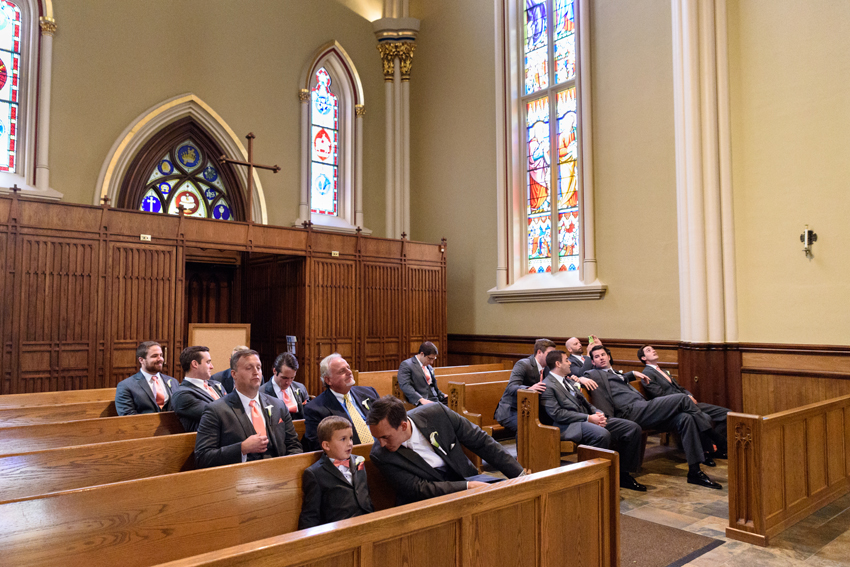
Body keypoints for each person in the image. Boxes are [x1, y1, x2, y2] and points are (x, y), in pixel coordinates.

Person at [582, 345, 721, 489]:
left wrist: (633, 372)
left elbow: (621, 378)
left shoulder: (617, 373)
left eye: (603, 354)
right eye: (596, 357)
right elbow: (573, 375)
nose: (601, 358)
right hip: (629, 412)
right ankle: (713, 437)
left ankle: (695, 471)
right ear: (593, 362)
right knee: (682, 398)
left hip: (643, 409)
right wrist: (579, 378)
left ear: (609, 356)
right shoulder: (592, 374)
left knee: (686, 418)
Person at [367, 395, 526, 505]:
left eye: (385, 437)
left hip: (465, 478)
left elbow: (481, 441)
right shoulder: (380, 455)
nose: (381, 443)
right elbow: (418, 489)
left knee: (514, 495)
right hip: (424, 502)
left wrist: (520, 476)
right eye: (377, 437)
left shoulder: (437, 413)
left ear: (403, 426)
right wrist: (467, 487)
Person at [541, 350, 646, 491]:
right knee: (601, 434)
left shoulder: (569, 381)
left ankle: (623, 474)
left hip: (588, 419)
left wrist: (599, 414)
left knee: (632, 428)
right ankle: (595, 479)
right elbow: (557, 414)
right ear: (558, 364)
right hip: (569, 425)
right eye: (567, 360)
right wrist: (589, 418)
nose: (570, 362)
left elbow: (585, 403)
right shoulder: (548, 385)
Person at [194, 348, 302, 468]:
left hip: (279, 475)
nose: (256, 372)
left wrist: (289, 469)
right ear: (234, 374)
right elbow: (203, 457)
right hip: (239, 479)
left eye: (258, 367)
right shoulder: (216, 410)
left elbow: (294, 446)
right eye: (249, 368)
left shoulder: (278, 405)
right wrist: (242, 448)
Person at [638, 345, 728, 459]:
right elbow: (660, 395)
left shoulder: (664, 371)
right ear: (643, 358)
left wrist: (689, 395)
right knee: (705, 418)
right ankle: (707, 451)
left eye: (653, 349)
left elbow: (680, 388)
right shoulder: (647, 374)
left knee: (726, 414)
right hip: (676, 407)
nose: (653, 351)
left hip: (688, 402)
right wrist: (683, 398)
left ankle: (718, 445)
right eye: (648, 350)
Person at [494, 338, 598, 434]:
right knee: (527, 426)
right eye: (549, 353)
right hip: (511, 410)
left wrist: (579, 379)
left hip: (534, 409)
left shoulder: (548, 367)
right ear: (539, 352)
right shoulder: (523, 364)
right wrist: (528, 389)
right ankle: (523, 454)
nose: (551, 357)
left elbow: (563, 376)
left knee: (558, 422)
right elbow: (511, 387)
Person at [298, 416, 374, 530]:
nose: (349, 443)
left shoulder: (360, 461)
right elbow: (310, 514)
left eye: (351, 438)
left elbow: (365, 493)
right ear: (326, 445)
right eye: (343, 439)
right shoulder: (315, 473)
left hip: (367, 521)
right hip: (339, 528)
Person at [303, 353, 379, 451]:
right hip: (350, 457)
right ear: (328, 380)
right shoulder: (315, 408)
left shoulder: (369, 393)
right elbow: (318, 446)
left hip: (381, 452)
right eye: (342, 371)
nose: (349, 372)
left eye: (348, 367)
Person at [115, 341, 180, 415]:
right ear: (141, 360)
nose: (160, 359)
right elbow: (127, 415)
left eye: (161, 355)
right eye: (155, 356)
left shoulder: (173, 381)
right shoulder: (126, 386)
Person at [171, 346, 226, 432]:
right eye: (208, 362)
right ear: (195, 364)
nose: (212, 367)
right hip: (208, 440)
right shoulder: (182, 394)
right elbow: (216, 413)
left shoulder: (216, 384)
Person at [262, 352, 311, 420]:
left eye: (292, 378)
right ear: (275, 371)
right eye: (284, 378)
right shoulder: (262, 392)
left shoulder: (300, 388)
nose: (288, 382)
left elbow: (308, 415)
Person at [397, 341, 448, 406]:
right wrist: (420, 399)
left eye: (434, 359)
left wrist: (443, 395)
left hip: (436, 399)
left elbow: (432, 386)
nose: (432, 362)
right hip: (422, 401)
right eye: (430, 359)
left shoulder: (429, 367)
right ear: (422, 354)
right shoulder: (407, 365)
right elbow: (405, 385)